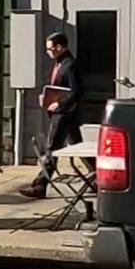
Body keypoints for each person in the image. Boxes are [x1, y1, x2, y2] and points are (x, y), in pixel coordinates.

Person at [21, 31, 87, 198]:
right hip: (63, 113)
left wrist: (60, 104)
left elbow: (77, 91)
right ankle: (98, 178)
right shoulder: (59, 64)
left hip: (64, 113)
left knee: (52, 148)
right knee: (78, 147)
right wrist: (46, 97)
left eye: (50, 48)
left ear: (59, 47)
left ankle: (41, 185)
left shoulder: (70, 65)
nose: (48, 52)